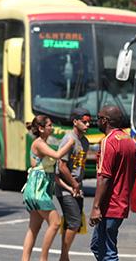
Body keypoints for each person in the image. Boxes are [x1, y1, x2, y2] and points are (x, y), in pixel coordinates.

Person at [21, 115, 75, 261]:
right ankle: (43, 258)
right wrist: (70, 142)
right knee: (55, 223)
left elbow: (53, 176)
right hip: (37, 190)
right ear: (41, 128)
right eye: (50, 125)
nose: (52, 127)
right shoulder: (39, 143)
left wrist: (70, 188)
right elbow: (57, 155)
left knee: (34, 228)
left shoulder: (43, 143)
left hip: (41, 189)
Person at [89, 105, 136, 261]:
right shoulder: (128, 140)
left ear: (105, 120)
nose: (96, 121)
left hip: (110, 205)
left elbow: (104, 177)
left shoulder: (108, 141)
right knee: (98, 246)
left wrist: (96, 207)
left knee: (108, 253)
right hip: (120, 203)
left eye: (98, 117)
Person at [56, 108, 90, 261]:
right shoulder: (68, 139)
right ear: (75, 121)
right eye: (84, 121)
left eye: (89, 121)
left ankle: (64, 256)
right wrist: (73, 184)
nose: (87, 124)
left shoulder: (85, 141)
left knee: (72, 224)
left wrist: (78, 185)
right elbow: (61, 166)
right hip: (65, 188)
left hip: (77, 188)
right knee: (75, 222)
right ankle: (64, 257)